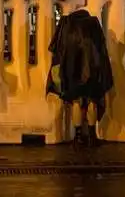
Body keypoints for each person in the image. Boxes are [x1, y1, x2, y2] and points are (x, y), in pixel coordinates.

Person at [47, 8, 114, 149]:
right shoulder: (94, 24)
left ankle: (77, 137)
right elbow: (101, 48)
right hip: (93, 70)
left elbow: (56, 48)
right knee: (92, 102)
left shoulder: (67, 24)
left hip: (72, 71)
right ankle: (91, 136)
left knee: (76, 102)